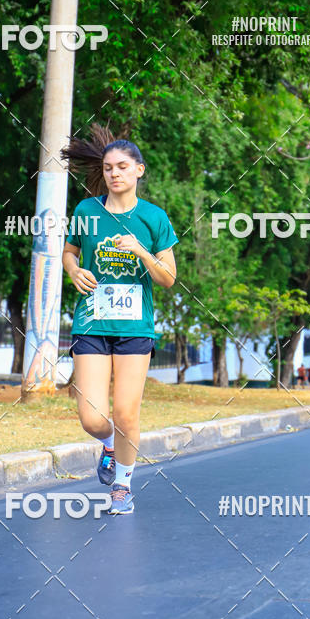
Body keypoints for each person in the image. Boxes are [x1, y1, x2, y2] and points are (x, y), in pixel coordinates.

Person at [61, 124, 179, 514]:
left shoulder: (154, 218)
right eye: (109, 167)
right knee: (92, 417)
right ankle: (109, 443)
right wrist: (74, 270)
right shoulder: (86, 211)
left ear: (139, 171)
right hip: (91, 323)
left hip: (134, 328)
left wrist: (143, 252)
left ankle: (122, 489)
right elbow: (70, 253)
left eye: (123, 167)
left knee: (128, 411)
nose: (114, 174)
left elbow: (168, 279)